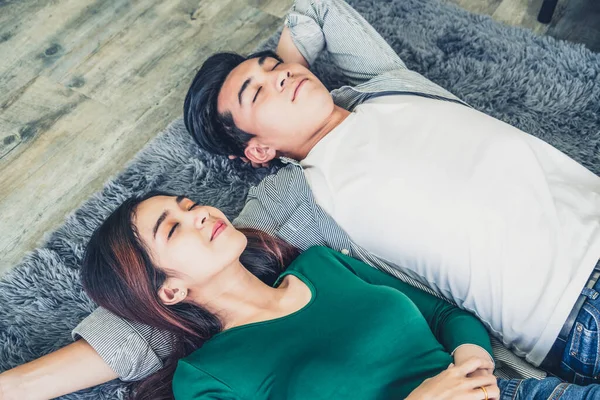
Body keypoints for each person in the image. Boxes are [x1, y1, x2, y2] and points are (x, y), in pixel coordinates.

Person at [0, 0, 598, 397]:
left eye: (269, 67)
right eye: (256, 93)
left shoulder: (387, 87)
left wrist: (292, 76)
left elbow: (319, 7)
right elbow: (149, 306)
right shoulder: (300, 198)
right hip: (567, 310)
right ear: (257, 152)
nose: (277, 76)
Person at [76, 193, 600, 399]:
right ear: (169, 289)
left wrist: (473, 365)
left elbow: (445, 314)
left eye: (189, 204)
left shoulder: (320, 264)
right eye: (174, 228)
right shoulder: (206, 377)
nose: (201, 214)